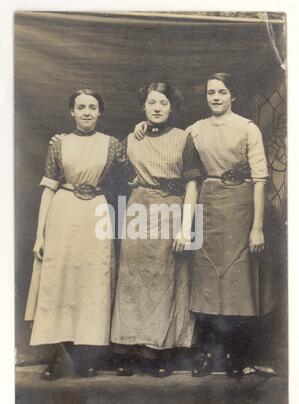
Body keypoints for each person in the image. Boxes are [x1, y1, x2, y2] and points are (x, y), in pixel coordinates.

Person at [134, 73, 275, 377]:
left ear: (232, 96)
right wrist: (144, 127)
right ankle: (210, 357)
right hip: (207, 209)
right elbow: (172, 146)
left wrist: (257, 227)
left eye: (222, 92)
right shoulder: (195, 131)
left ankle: (238, 359)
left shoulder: (248, 128)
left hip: (241, 210)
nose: (215, 97)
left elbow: (260, 181)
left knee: (239, 287)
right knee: (208, 285)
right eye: (211, 92)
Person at [25, 89, 126, 380]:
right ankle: (61, 357)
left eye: (92, 107)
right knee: (61, 282)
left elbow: (126, 181)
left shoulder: (112, 145)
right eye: (80, 107)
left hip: (96, 212)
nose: (86, 112)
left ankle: (87, 358)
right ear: (72, 112)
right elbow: (49, 187)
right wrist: (40, 235)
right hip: (63, 212)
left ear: (99, 112)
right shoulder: (59, 144)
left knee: (92, 282)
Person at [110, 82, 205, 378]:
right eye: (152, 102)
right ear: (144, 106)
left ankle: (161, 351)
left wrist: (185, 228)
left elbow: (192, 186)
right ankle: (129, 351)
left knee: (166, 280)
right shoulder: (132, 137)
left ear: (172, 108)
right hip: (138, 209)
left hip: (171, 210)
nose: (157, 108)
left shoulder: (183, 138)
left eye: (163, 103)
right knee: (132, 279)